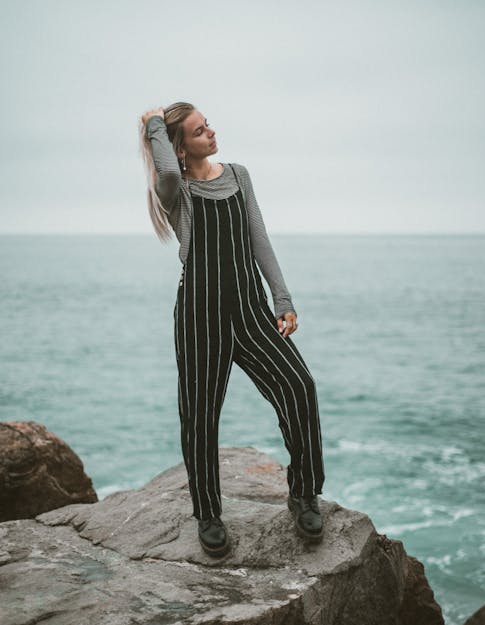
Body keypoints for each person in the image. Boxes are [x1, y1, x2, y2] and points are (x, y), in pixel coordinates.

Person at [139, 102, 325, 557]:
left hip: (250, 309)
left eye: (209, 126)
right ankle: (208, 513)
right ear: (180, 148)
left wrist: (283, 300)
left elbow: (260, 239)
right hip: (200, 316)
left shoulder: (239, 175)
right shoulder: (175, 188)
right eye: (199, 132)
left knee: (299, 386)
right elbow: (163, 169)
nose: (212, 134)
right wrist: (153, 126)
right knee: (200, 416)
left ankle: (303, 493)